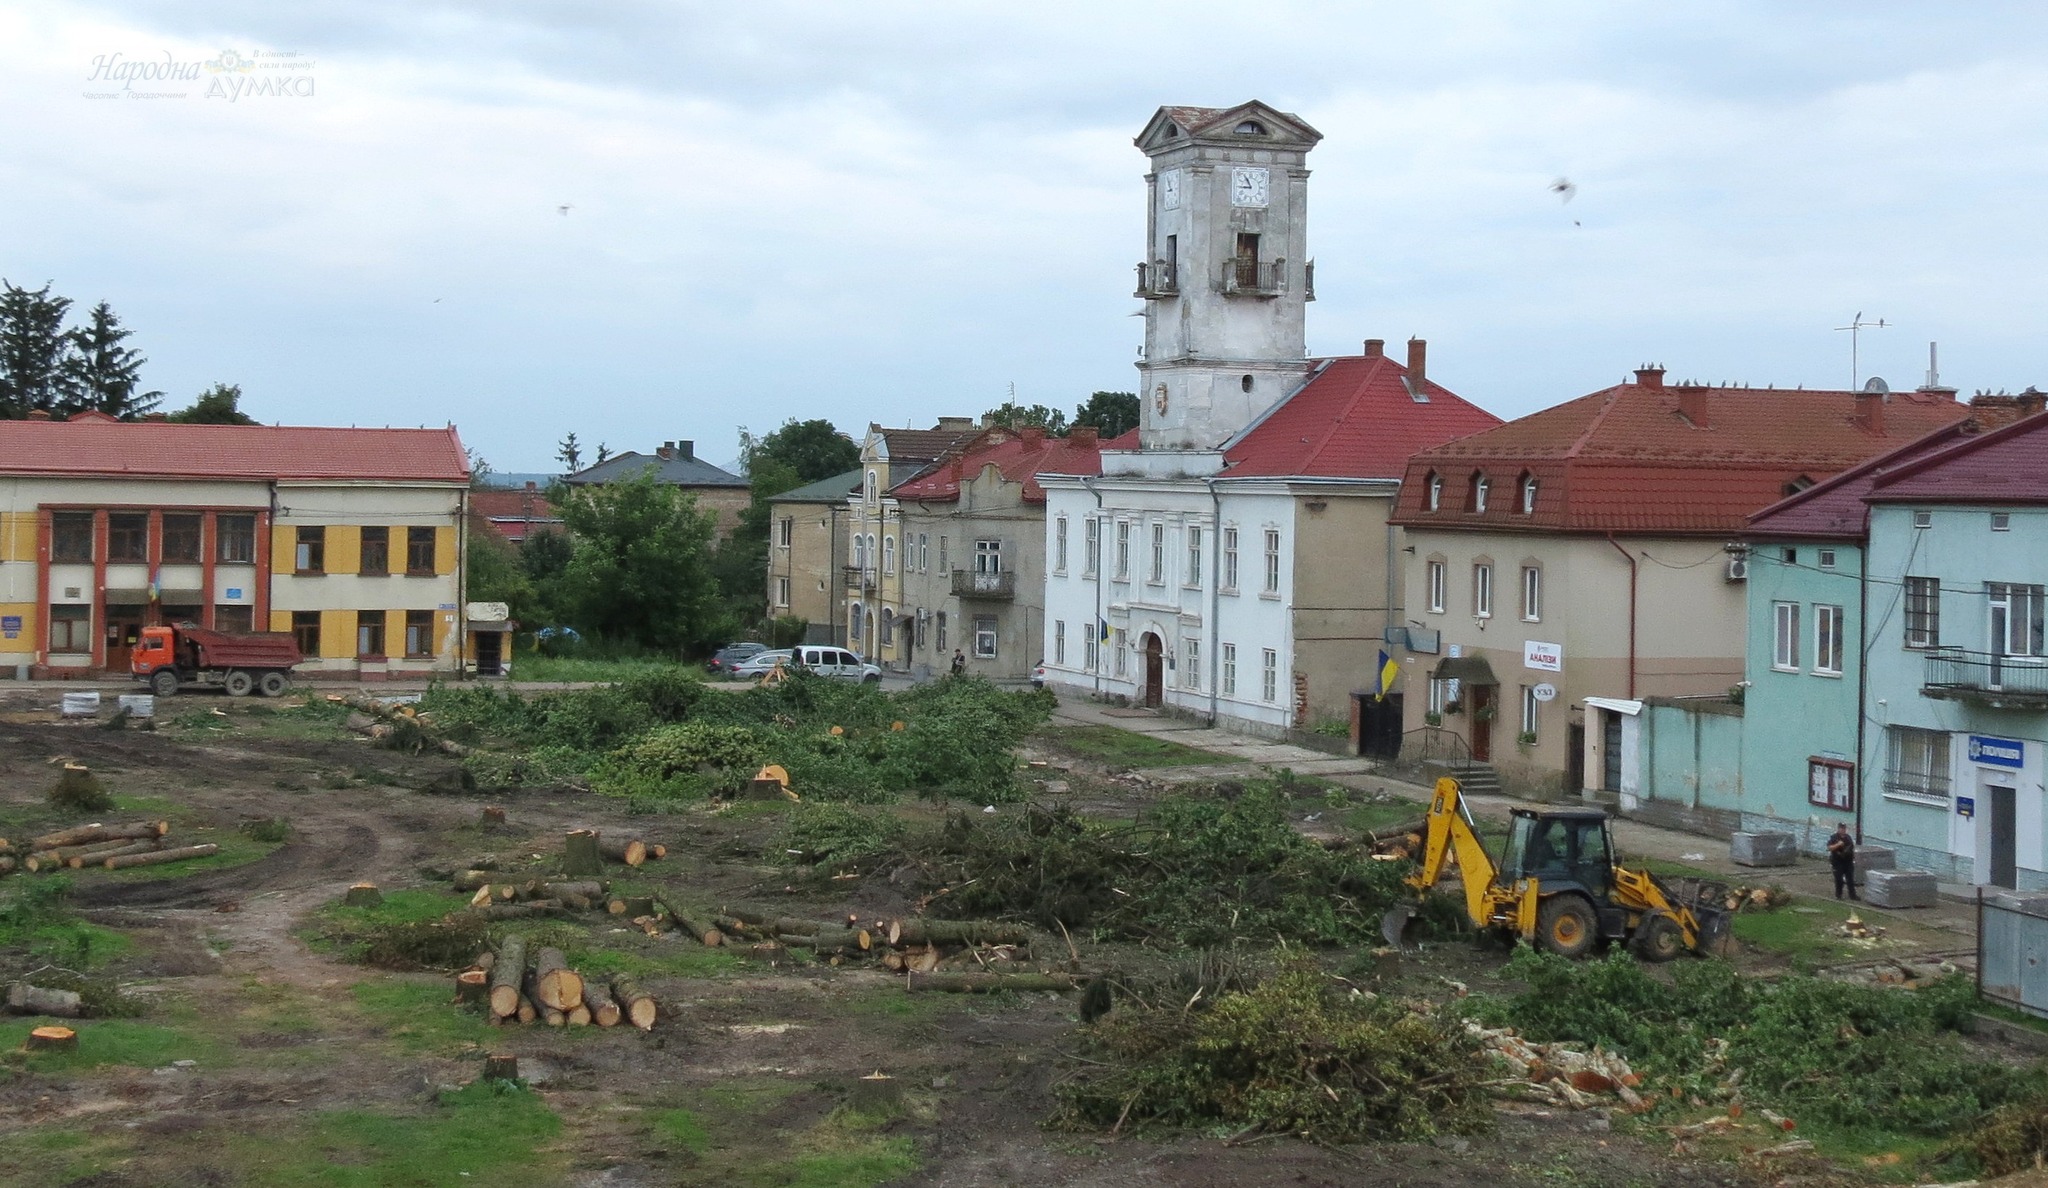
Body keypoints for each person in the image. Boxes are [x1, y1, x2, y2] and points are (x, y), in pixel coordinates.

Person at [1828, 822, 1858, 900]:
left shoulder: (1848, 837)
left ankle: (1853, 895)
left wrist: (1853, 857)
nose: (1843, 830)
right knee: (1839, 879)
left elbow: (1851, 847)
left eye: (1844, 828)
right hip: (1837, 862)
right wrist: (1838, 844)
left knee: (1850, 879)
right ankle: (1838, 895)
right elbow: (1830, 848)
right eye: (1841, 828)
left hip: (1848, 862)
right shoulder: (1834, 837)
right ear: (1838, 829)